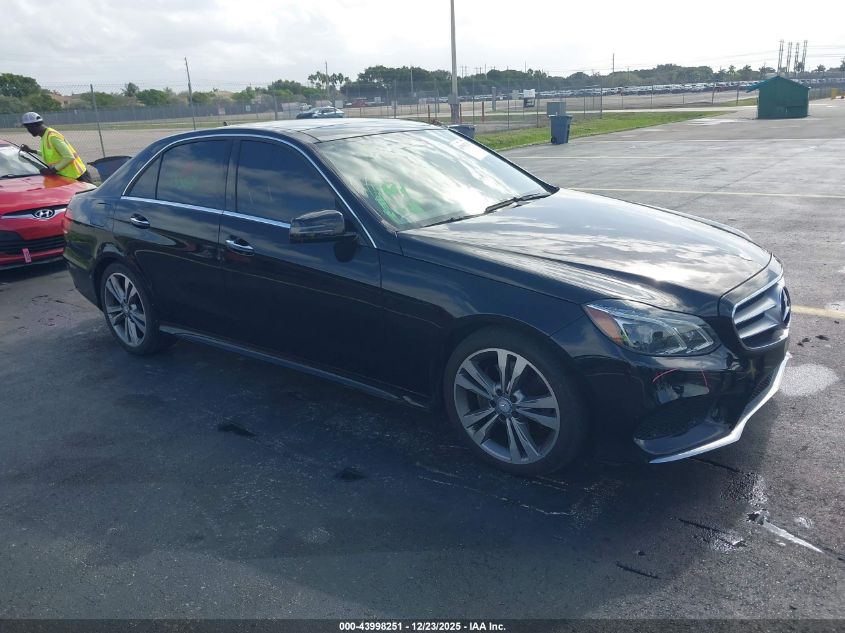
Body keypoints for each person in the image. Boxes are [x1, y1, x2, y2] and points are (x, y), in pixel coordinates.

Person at [18, 112, 93, 183]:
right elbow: (51, 154)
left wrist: (52, 171)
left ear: (33, 126)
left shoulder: (52, 137)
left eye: (27, 128)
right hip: (68, 177)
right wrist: (32, 151)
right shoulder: (45, 136)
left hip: (78, 176)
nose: (28, 131)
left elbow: (69, 157)